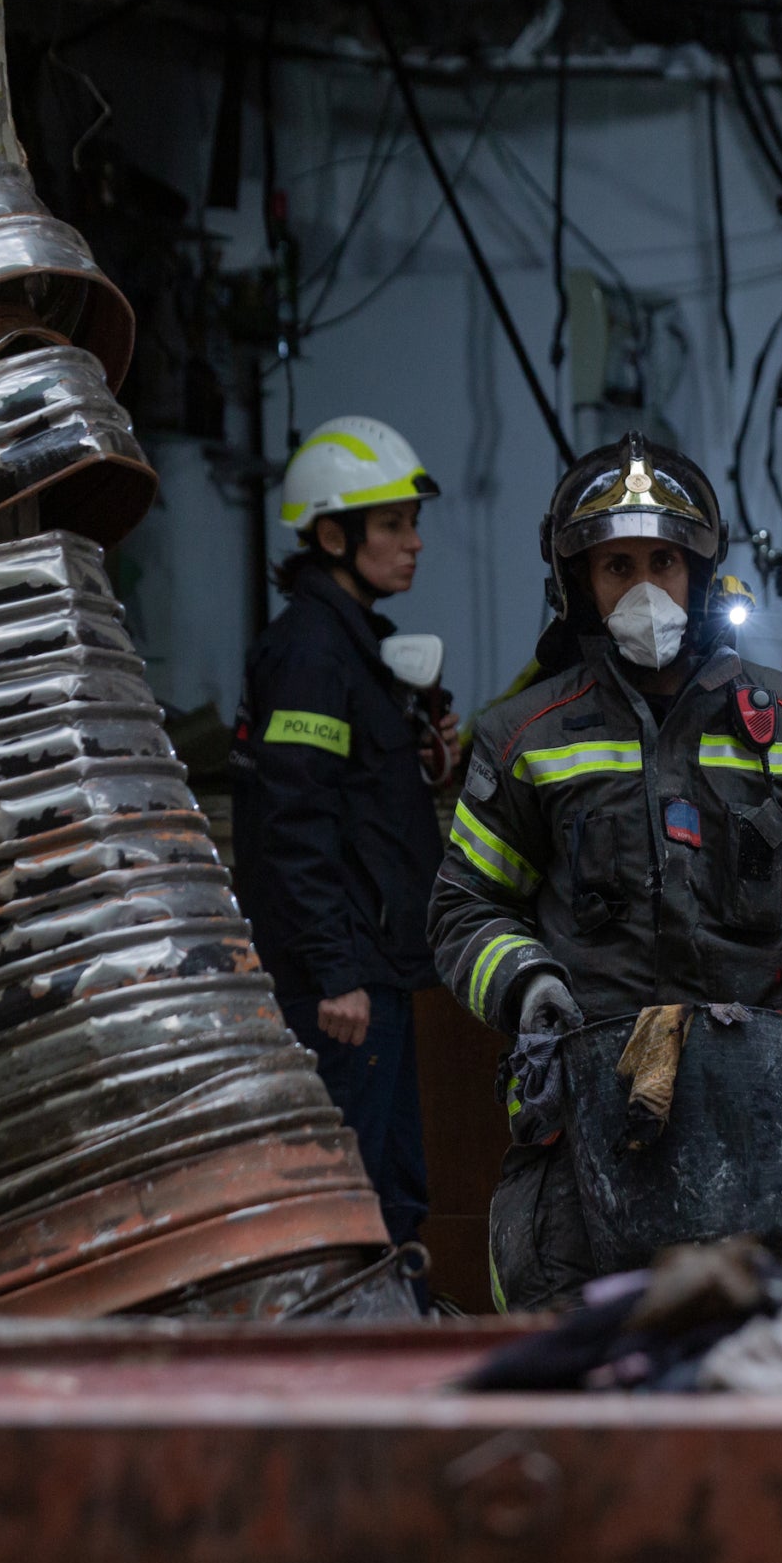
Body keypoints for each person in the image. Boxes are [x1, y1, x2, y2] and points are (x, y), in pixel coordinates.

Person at [428, 434, 782, 1312]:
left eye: (665, 560)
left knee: (767, 1373)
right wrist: (527, 984)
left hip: (768, 1128)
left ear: (700, 570)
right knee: (578, 1383)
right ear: (579, 580)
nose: (646, 587)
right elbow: (465, 905)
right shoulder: (523, 739)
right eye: (619, 565)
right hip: (588, 1127)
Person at [232, 416, 456, 1259]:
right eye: (393, 524)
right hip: (342, 987)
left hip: (372, 969)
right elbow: (293, 824)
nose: (414, 543)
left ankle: (399, 1343)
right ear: (333, 532)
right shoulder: (312, 656)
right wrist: (336, 972)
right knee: (354, 1198)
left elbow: (350, 798)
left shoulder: (354, 647)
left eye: (412, 523)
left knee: (393, 1188)